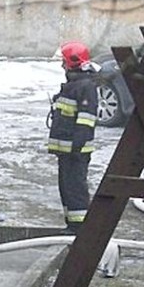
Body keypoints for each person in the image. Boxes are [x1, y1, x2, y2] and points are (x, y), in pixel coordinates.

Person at [47, 41, 99, 235]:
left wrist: (77, 146)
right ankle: (71, 225)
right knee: (66, 188)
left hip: (75, 150)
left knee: (75, 189)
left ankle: (80, 228)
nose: (62, 65)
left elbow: (86, 119)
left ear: (73, 62)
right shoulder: (74, 85)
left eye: (64, 61)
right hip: (67, 150)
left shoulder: (85, 87)